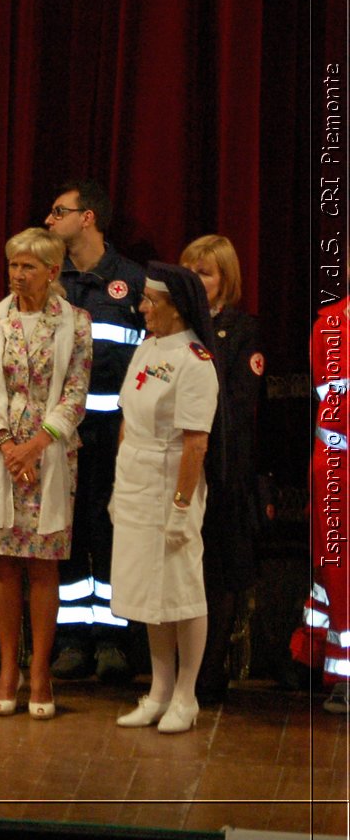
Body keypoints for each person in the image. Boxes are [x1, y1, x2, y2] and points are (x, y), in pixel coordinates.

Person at [0, 228, 92, 719]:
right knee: (4, 562)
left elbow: (76, 393)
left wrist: (37, 446)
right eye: (13, 265)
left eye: (28, 267)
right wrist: (7, 446)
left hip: (51, 455)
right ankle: (7, 671)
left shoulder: (75, 323)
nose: (17, 275)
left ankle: (40, 671)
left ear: (52, 272)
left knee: (42, 563)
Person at [111, 262, 219, 734]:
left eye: (150, 301)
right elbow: (126, 417)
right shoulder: (148, 348)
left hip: (170, 479)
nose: (141, 308)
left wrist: (181, 506)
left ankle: (186, 695)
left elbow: (196, 442)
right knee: (150, 595)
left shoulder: (195, 361)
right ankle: (158, 690)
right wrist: (120, 485)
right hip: (136, 478)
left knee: (181, 592)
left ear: (175, 307)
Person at [44, 181, 146, 683]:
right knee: (66, 535)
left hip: (117, 438)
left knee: (110, 535)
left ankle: (113, 640)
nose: (49, 220)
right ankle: (70, 639)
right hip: (58, 439)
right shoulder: (46, 278)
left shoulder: (133, 282)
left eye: (58, 211)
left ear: (87, 218)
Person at [179, 235, 265, 705]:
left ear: (225, 280)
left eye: (206, 272)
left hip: (223, 467)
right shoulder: (173, 327)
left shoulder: (240, 329)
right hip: (176, 469)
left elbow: (238, 402)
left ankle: (209, 673)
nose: (196, 280)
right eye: (189, 270)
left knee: (218, 572)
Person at [291, 296, 350, 714]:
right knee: (337, 575)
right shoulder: (329, 325)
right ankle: (342, 676)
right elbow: (333, 401)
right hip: (337, 469)